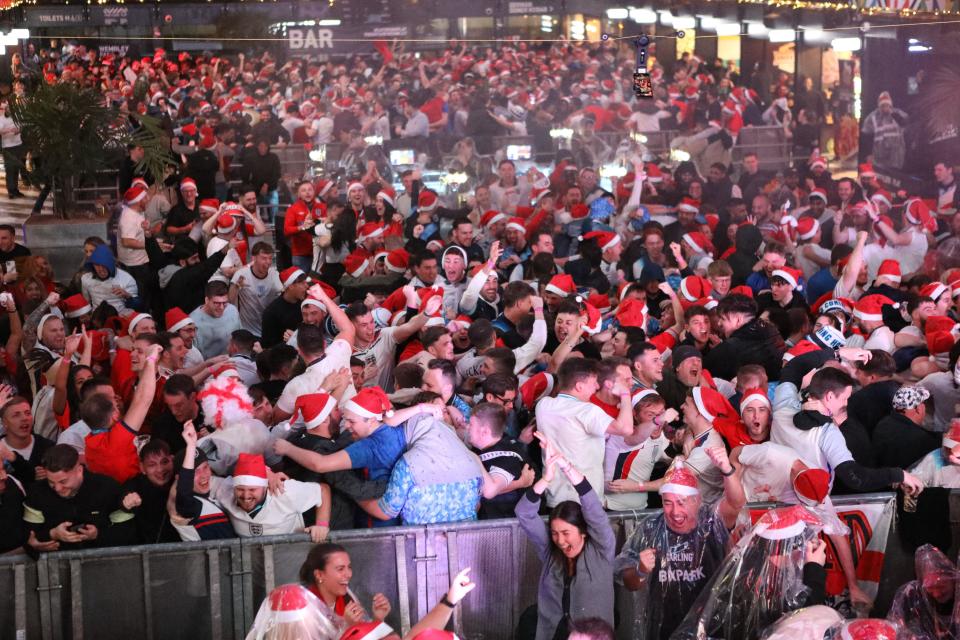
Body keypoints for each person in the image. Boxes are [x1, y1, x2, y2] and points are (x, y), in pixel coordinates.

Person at [616, 449, 745, 640]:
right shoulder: (650, 528)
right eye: (668, 503)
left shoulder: (710, 522)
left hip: (710, 624)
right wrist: (641, 570)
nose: (675, 511)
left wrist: (726, 469)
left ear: (696, 500)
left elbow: (736, 504)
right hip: (663, 627)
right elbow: (630, 583)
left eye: (682, 502)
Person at [672, 505, 832, 640]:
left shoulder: (746, 567)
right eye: (806, 545)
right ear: (793, 548)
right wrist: (814, 568)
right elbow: (806, 622)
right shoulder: (768, 585)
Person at [516, 435, 616, 640]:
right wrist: (545, 479)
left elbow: (592, 506)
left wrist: (564, 465)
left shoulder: (601, 550)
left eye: (565, 533)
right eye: (554, 533)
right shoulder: (550, 551)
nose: (560, 541)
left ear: (583, 531)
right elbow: (524, 512)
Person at [22, 444, 126, 551]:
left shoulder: (107, 487)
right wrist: (53, 534)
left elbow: (128, 531)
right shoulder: (37, 493)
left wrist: (98, 534)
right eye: (51, 482)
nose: (57, 488)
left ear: (79, 470)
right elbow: (27, 535)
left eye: (63, 481)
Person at [214, 452, 331, 542]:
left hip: (291, 556)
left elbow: (322, 490)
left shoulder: (284, 491)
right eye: (240, 489)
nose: (246, 495)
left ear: (265, 487)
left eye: (252, 490)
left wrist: (322, 526)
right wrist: (267, 471)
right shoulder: (225, 491)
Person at [298, 543, 392, 635]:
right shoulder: (304, 607)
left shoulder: (347, 596)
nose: (349, 574)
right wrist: (346, 627)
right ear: (319, 575)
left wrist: (378, 618)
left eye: (349, 567)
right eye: (340, 569)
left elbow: (367, 637)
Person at [887, 544, 958, 639]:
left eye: (941, 586)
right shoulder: (911, 593)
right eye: (930, 587)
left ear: (952, 579)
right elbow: (894, 626)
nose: (937, 593)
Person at [189, 281, 241, 358]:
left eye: (224, 303)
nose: (221, 307)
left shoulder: (232, 310)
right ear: (207, 300)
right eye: (217, 303)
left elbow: (239, 337)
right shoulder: (193, 322)